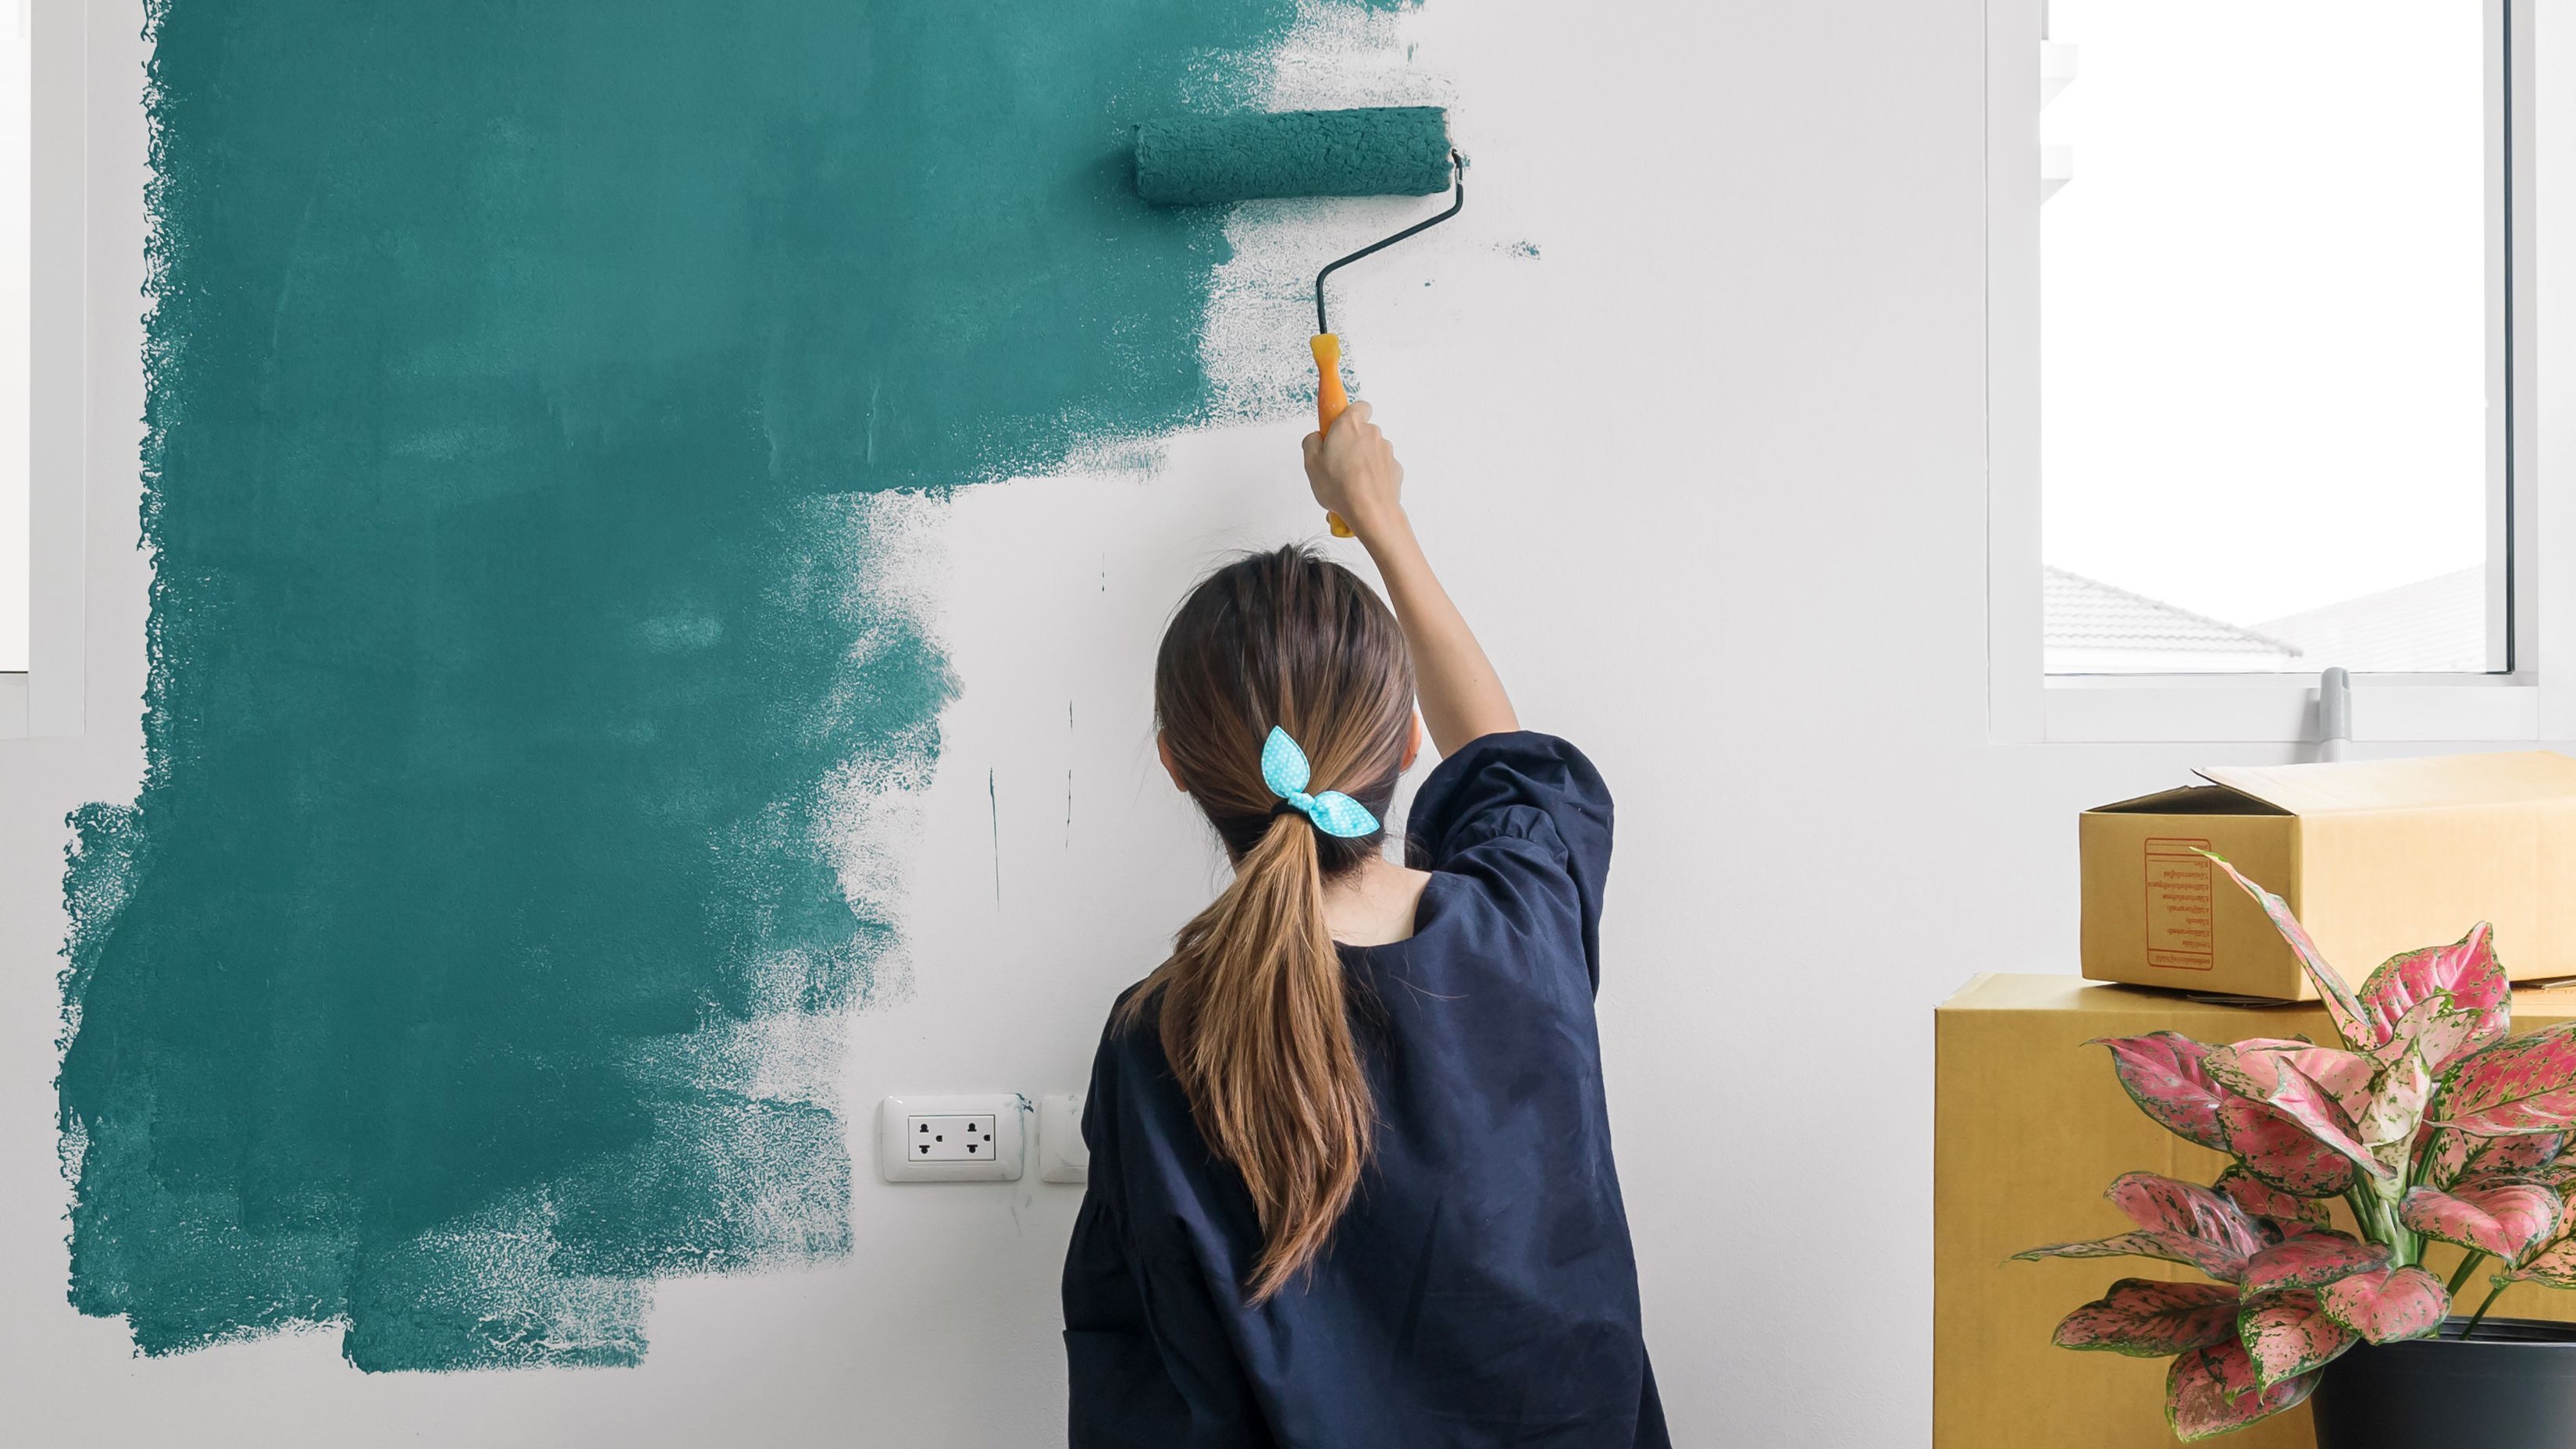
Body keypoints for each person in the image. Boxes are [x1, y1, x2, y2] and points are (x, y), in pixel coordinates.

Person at [1061, 402, 1667, 1447]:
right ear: (1409, 745)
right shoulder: (1524, 925)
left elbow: (1150, 1368)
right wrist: (1378, 515)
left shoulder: (1153, 1037)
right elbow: (1508, 763)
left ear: (1174, 766)